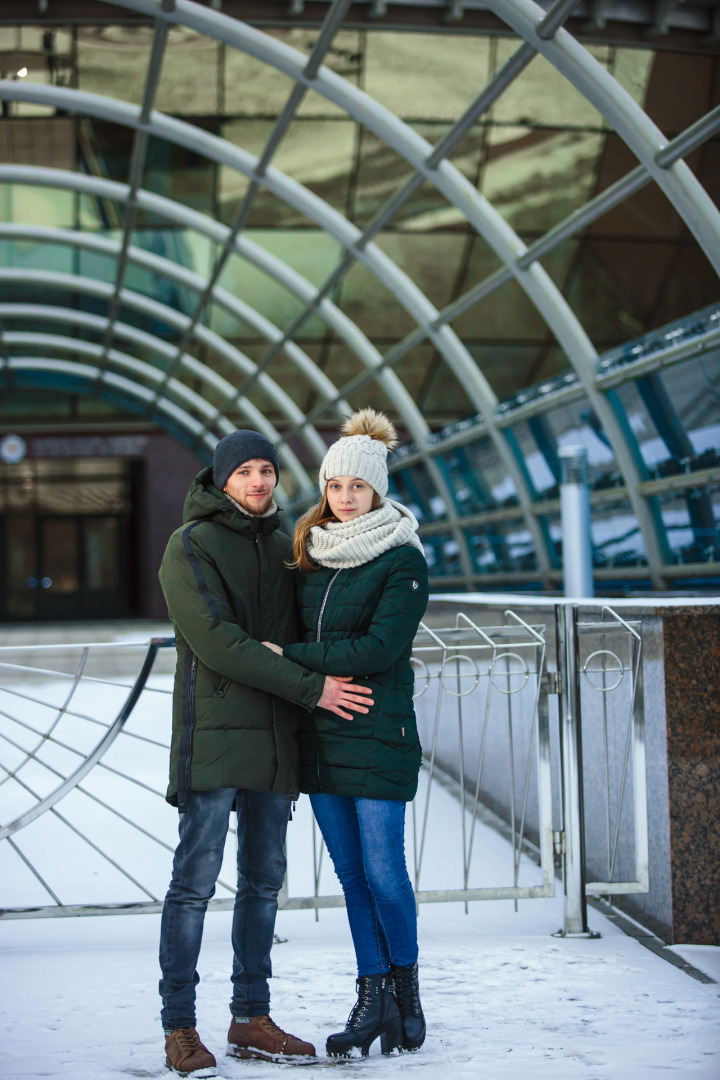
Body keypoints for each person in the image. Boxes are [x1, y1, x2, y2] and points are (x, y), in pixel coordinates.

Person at [157, 429, 373, 1077]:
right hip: (215, 741)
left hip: (276, 740)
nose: (257, 482)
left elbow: (323, 624)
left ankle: (251, 1017)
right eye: (245, 471)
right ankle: (180, 1027)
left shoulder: (288, 548)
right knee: (194, 886)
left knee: (262, 885)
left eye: (267, 471)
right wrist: (313, 688)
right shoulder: (188, 545)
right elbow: (217, 642)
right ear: (221, 478)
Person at [262, 409, 429, 1059]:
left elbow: (379, 648)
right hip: (322, 738)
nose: (345, 496)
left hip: (377, 732)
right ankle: (371, 996)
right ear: (326, 490)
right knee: (353, 877)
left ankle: (408, 991)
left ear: (377, 490)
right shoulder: (310, 558)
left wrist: (293, 658)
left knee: (386, 873)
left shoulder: (402, 560)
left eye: (357, 486)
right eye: (335, 486)